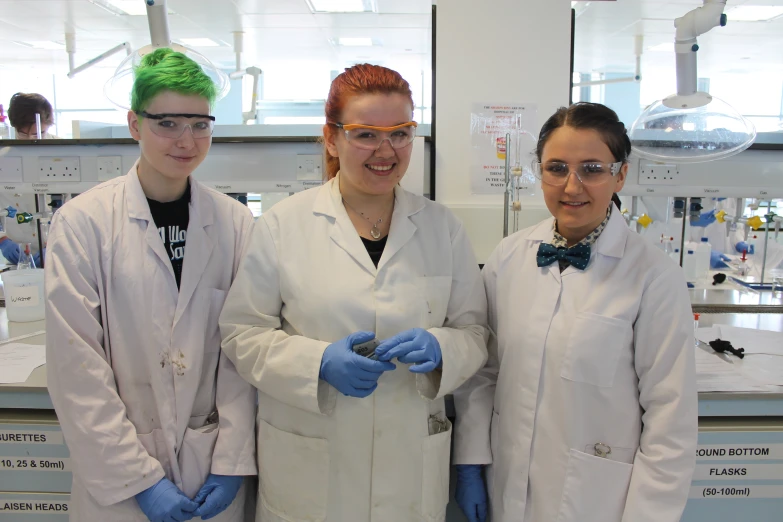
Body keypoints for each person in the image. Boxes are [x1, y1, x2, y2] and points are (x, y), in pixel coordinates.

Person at [218, 63, 488, 522]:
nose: (386, 151)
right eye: (366, 134)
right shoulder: (286, 225)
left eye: (400, 133)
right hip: (312, 468)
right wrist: (316, 363)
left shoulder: (442, 229)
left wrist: (443, 346)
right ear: (331, 137)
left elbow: (476, 333)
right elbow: (242, 333)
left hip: (408, 471)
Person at [453, 102, 698, 522]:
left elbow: (670, 416)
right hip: (507, 485)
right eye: (557, 168)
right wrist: (472, 458)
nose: (572, 186)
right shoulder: (509, 257)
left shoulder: (653, 276)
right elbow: (485, 369)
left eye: (592, 168)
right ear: (539, 172)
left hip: (598, 499)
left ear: (620, 174)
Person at [45, 48, 256, 521]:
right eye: (168, 123)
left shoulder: (235, 224)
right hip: (118, 478)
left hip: (209, 468)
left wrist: (231, 463)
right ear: (135, 124)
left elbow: (241, 356)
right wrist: (140, 482)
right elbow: (77, 369)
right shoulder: (83, 225)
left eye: (200, 124)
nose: (187, 140)